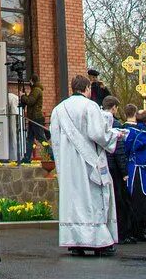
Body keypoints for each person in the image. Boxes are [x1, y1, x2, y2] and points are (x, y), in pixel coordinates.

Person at [51, 75, 119, 257]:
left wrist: (60, 163)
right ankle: (97, 241)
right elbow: (98, 134)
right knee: (92, 200)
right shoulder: (91, 107)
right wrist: (114, 136)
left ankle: (75, 242)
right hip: (88, 162)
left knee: (73, 201)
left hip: (68, 163)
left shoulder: (58, 109)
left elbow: (55, 140)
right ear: (88, 88)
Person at [121, 106, 146, 242]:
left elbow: (125, 149)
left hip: (132, 168)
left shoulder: (129, 132)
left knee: (134, 198)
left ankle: (136, 227)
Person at [107, 101, 138, 242]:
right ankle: (123, 233)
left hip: (105, 166)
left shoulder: (99, 122)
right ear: (114, 108)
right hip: (115, 168)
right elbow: (119, 150)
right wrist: (125, 171)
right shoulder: (116, 125)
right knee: (120, 201)